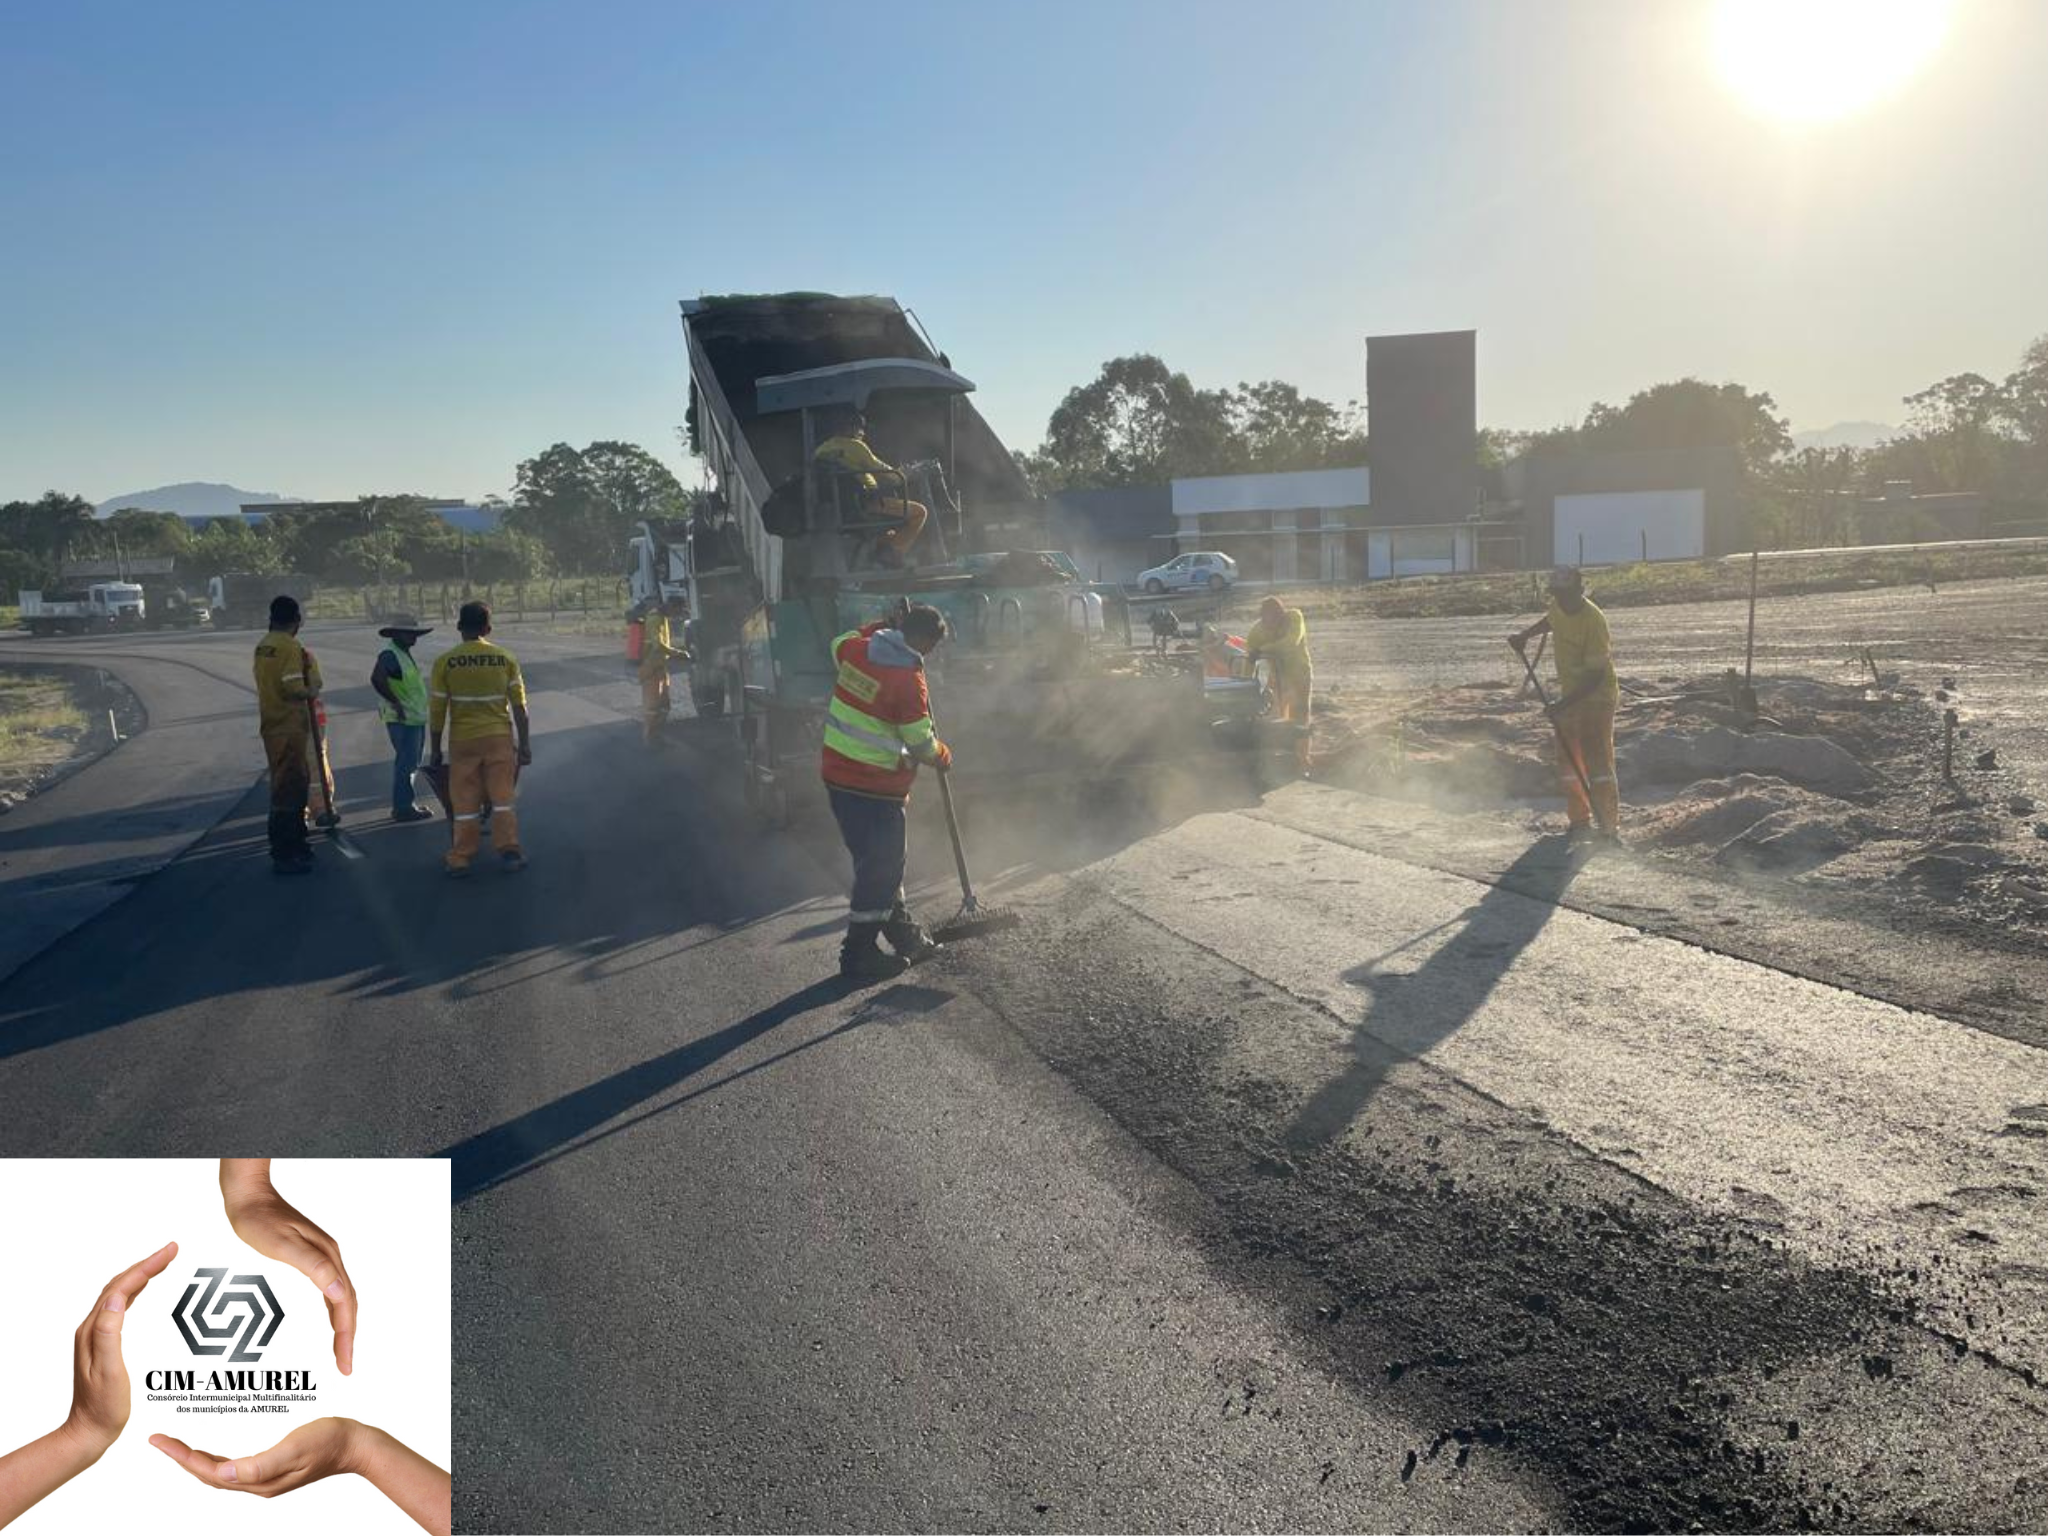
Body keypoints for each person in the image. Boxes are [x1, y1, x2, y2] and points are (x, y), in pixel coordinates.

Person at [820, 602, 952, 982]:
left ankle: (904, 936)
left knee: (877, 864)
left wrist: (880, 624)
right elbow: (920, 743)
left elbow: (839, 640)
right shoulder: (908, 680)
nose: (928, 655)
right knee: (881, 869)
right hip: (874, 787)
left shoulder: (856, 650)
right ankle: (857, 956)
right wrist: (943, 754)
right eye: (931, 647)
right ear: (924, 641)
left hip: (838, 779)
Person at [1510, 565, 1621, 844]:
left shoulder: (1593, 620)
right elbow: (1550, 621)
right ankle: (1579, 822)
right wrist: (1525, 636)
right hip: (1571, 696)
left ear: (1578, 591)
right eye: (1557, 594)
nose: (1560, 599)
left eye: (1565, 594)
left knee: (1598, 765)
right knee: (1569, 763)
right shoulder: (1559, 607)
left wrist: (1561, 704)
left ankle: (1607, 827)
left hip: (1596, 698)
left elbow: (1595, 678)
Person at [427, 602, 531, 878]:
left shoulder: (445, 662)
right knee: (502, 798)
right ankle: (509, 850)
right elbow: (519, 707)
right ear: (488, 628)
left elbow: (437, 710)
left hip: (463, 741)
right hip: (499, 739)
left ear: (460, 628)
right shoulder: (505, 658)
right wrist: (526, 744)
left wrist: (435, 750)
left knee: (464, 801)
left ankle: (460, 858)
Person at [252, 594, 322, 873]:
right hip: (289, 724)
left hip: (271, 722)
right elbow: (293, 687)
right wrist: (313, 686)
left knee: (285, 785)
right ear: (296, 621)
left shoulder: (263, 645)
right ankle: (286, 850)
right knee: (290, 789)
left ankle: (295, 845)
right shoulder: (289, 646)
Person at [812, 408, 929, 565]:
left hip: (842, 507)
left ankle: (880, 554)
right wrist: (906, 473)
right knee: (919, 513)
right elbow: (885, 472)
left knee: (890, 532)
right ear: (851, 428)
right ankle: (891, 556)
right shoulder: (855, 446)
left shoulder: (822, 449)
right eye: (859, 428)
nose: (861, 432)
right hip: (866, 503)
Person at [369, 616, 435, 821]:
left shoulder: (402, 653)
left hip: (412, 716)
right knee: (407, 763)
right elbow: (377, 679)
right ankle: (403, 807)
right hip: (403, 717)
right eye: (409, 634)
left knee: (410, 762)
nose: (413, 637)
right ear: (397, 634)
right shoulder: (390, 654)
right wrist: (396, 703)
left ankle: (405, 804)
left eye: (415, 634)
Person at [1245, 594, 1314, 774]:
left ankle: (1303, 760)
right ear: (1262, 617)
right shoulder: (1257, 631)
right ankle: (1286, 757)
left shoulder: (1294, 618)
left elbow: (1292, 643)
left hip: (1300, 676)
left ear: (1281, 614)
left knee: (1300, 718)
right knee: (1280, 717)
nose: (1272, 622)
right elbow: (1249, 657)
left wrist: (1262, 649)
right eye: (1267, 618)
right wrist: (1246, 684)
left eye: (1275, 618)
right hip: (1278, 679)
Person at [638, 596, 690, 747]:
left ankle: (657, 736)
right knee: (653, 707)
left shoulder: (663, 617)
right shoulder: (655, 618)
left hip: (659, 667)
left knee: (664, 705)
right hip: (650, 669)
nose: (677, 616)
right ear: (672, 606)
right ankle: (650, 740)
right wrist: (678, 653)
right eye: (678, 611)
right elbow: (658, 645)